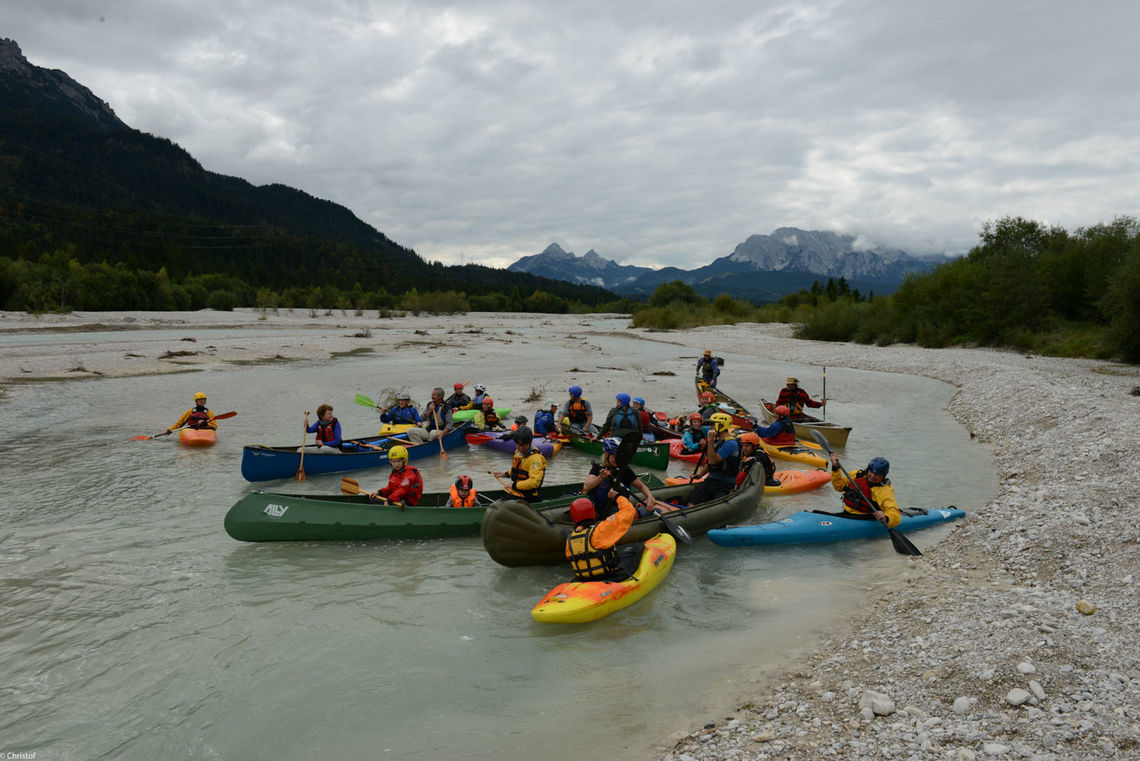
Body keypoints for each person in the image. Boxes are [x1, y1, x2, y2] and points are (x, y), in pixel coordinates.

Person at [565, 494, 646, 583]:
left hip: (583, 579)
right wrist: (617, 496)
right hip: (609, 577)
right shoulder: (601, 529)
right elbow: (629, 511)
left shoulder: (569, 539)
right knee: (637, 547)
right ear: (592, 512)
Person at [582, 437, 657, 518]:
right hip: (597, 508)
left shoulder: (625, 470)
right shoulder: (597, 468)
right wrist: (600, 478)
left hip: (617, 510)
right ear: (607, 454)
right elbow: (586, 487)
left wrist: (650, 497)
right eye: (615, 456)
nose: (619, 459)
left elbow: (641, 486)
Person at [827, 454, 901, 528]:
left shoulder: (885, 491)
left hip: (864, 519)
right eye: (871, 472)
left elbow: (894, 512)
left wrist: (886, 518)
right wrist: (835, 468)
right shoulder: (857, 475)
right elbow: (838, 486)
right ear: (868, 470)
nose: (872, 476)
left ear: (883, 476)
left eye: (877, 475)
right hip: (846, 514)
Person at [686, 412, 740, 506]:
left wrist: (710, 441)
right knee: (692, 501)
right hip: (712, 479)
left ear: (721, 425)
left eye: (713, 424)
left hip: (725, 483)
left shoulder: (731, 444)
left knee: (714, 504)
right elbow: (710, 463)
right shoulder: (718, 441)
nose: (710, 427)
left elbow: (713, 460)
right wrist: (700, 474)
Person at [492, 426, 546, 502]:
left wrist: (514, 485)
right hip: (518, 492)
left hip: (529, 497)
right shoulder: (518, 452)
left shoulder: (535, 459)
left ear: (530, 442)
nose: (520, 448)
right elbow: (519, 469)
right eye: (518, 445)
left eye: (523, 445)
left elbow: (534, 482)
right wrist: (506, 474)